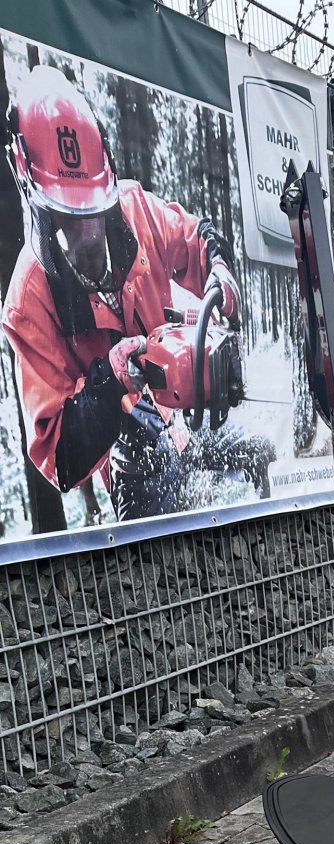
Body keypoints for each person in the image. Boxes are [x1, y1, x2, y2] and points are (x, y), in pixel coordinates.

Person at [2, 64, 272, 522]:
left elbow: (196, 236)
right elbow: (58, 457)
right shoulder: (28, 300)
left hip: (185, 415)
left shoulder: (137, 210)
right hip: (131, 455)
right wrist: (110, 382)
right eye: (69, 217)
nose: (87, 234)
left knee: (260, 447)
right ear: (34, 195)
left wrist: (219, 270)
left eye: (94, 213)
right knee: (154, 489)